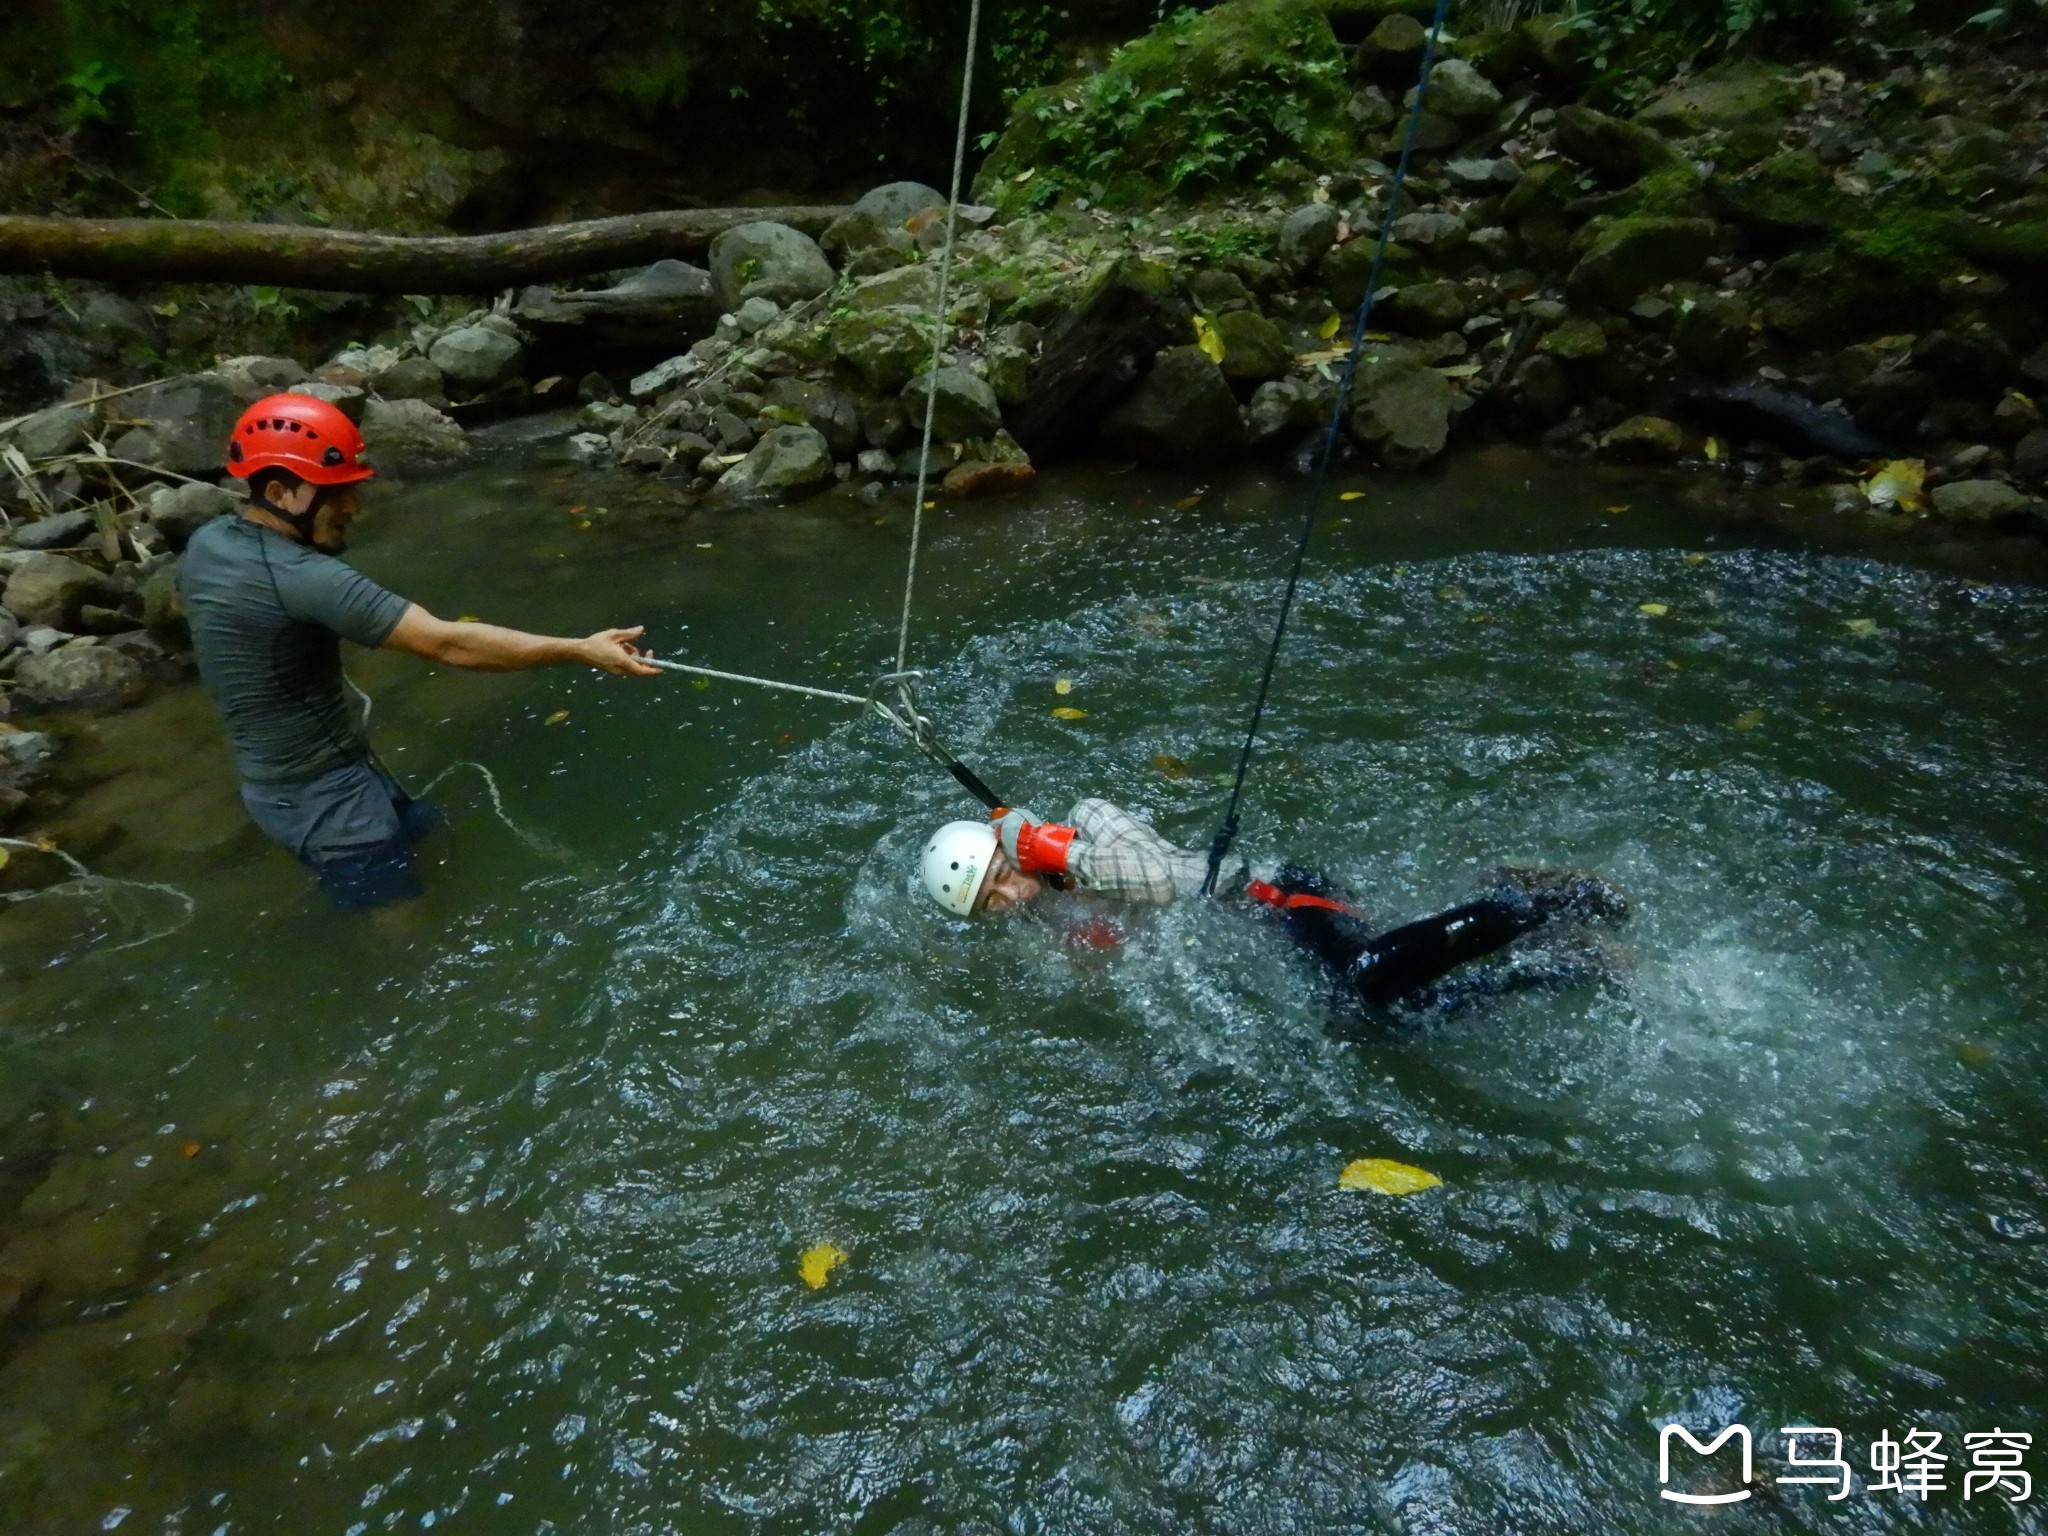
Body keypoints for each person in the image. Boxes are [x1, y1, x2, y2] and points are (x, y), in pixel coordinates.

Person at [179, 393, 661, 909]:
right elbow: (449, 643)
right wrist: (580, 650)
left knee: (428, 836)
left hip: (308, 778)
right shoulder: (304, 578)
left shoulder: (209, 543)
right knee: (401, 918)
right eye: (336, 492)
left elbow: (191, 603)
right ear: (278, 491)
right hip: (320, 796)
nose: (353, 508)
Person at [918, 799, 1630, 1020]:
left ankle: (1531, 902)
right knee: (1388, 1020)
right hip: (1255, 941)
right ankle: (1560, 958)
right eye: (991, 903)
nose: (1010, 896)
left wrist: (1060, 852)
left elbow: (1173, 882)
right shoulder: (1043, 918)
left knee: (1364, 984)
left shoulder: (1090, 820)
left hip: (1272, 898)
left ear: (1009, 849)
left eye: (1003, 874)